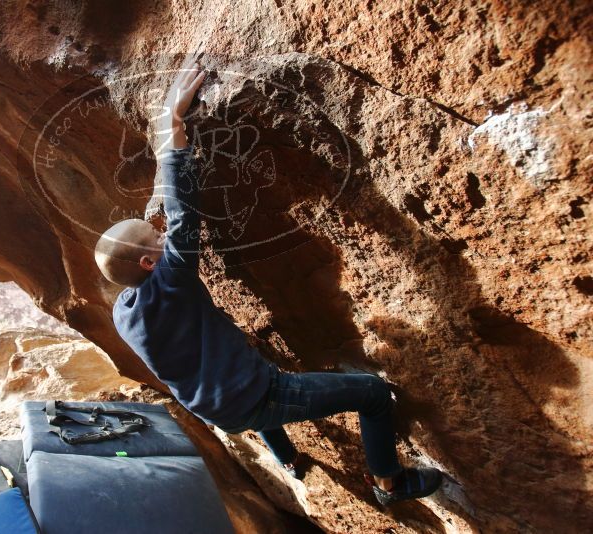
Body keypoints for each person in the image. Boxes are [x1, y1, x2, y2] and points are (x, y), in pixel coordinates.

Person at [95, 58, 444, 505]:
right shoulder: (172, 279)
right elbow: (184, 213)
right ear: (149, 264)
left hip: (215, 405)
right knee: (373, 394)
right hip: (259, 395)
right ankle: (389, 483)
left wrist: (148, 231)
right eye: (156, 237)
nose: (162, 231)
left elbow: (150, 240)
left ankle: (286, 458)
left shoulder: (125, 309)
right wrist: (172, 121)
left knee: (244, 370)